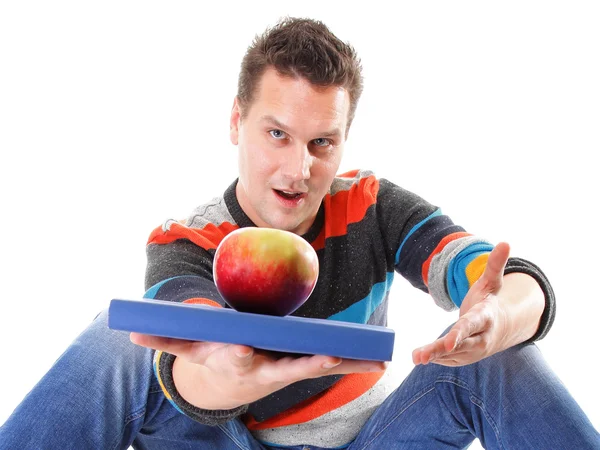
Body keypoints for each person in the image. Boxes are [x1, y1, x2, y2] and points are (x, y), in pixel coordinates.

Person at [1, 17, 598, 450]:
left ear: (342, 143)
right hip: (224, 435)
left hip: (375, 444)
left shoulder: (371, 205)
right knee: (120, 336)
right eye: (277, 135)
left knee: (498, 352)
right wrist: (227, 373)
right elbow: (182, 375)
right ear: (237, 122)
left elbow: (488, 274)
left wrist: (497, 316)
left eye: (322, 143)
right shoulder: (186, 239)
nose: (298, 170)